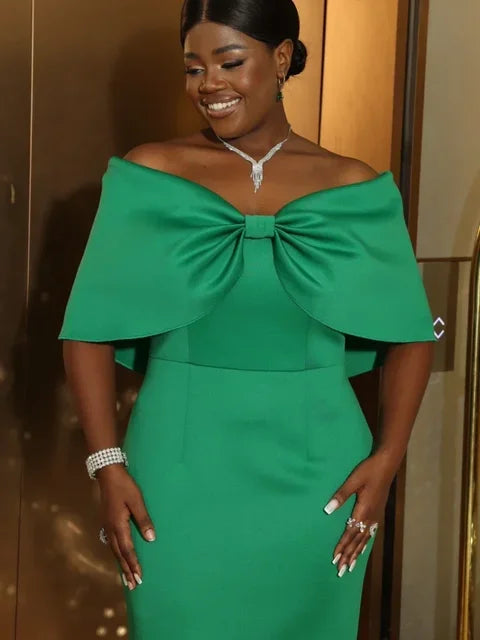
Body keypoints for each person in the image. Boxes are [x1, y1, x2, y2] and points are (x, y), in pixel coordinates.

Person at [59, 0, 436, 637]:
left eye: (229, 62)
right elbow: (86, 331)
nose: (209, 84)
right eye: (193, 68)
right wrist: (107, 464)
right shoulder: (151, 174)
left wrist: (388, 459)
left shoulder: (352, 186)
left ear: (281, 58)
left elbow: (411, 336)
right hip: (174, 477)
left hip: (319, 481)